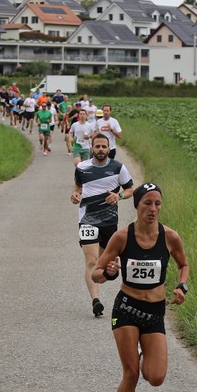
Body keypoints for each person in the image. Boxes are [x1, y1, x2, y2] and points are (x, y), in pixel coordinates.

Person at [92, 182, 189, 392]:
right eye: (147, 203)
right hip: (126, 309)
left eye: (157, 203)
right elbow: (96, 273)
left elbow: (183, 264)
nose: (153, 209)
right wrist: (109, 272)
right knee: (131, 372)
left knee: (155, 377)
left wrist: (182, 286)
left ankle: (145, 350)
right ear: (137, 205)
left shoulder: (170, 237)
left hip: (154, 312)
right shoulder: (122, 237)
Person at [71, 134, 134, 318]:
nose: (100, 149)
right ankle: (96, 300)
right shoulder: (82, 168)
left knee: (104, 262)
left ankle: (103, 279)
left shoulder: (118, 168)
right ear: (92, 148)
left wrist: (118, 196)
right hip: (87, 219)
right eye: (97, 146)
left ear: (109, 148)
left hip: (109, 221)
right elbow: (77, 187)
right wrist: (74, 195)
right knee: (91, 260)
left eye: (103, 146)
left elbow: (130, 189)